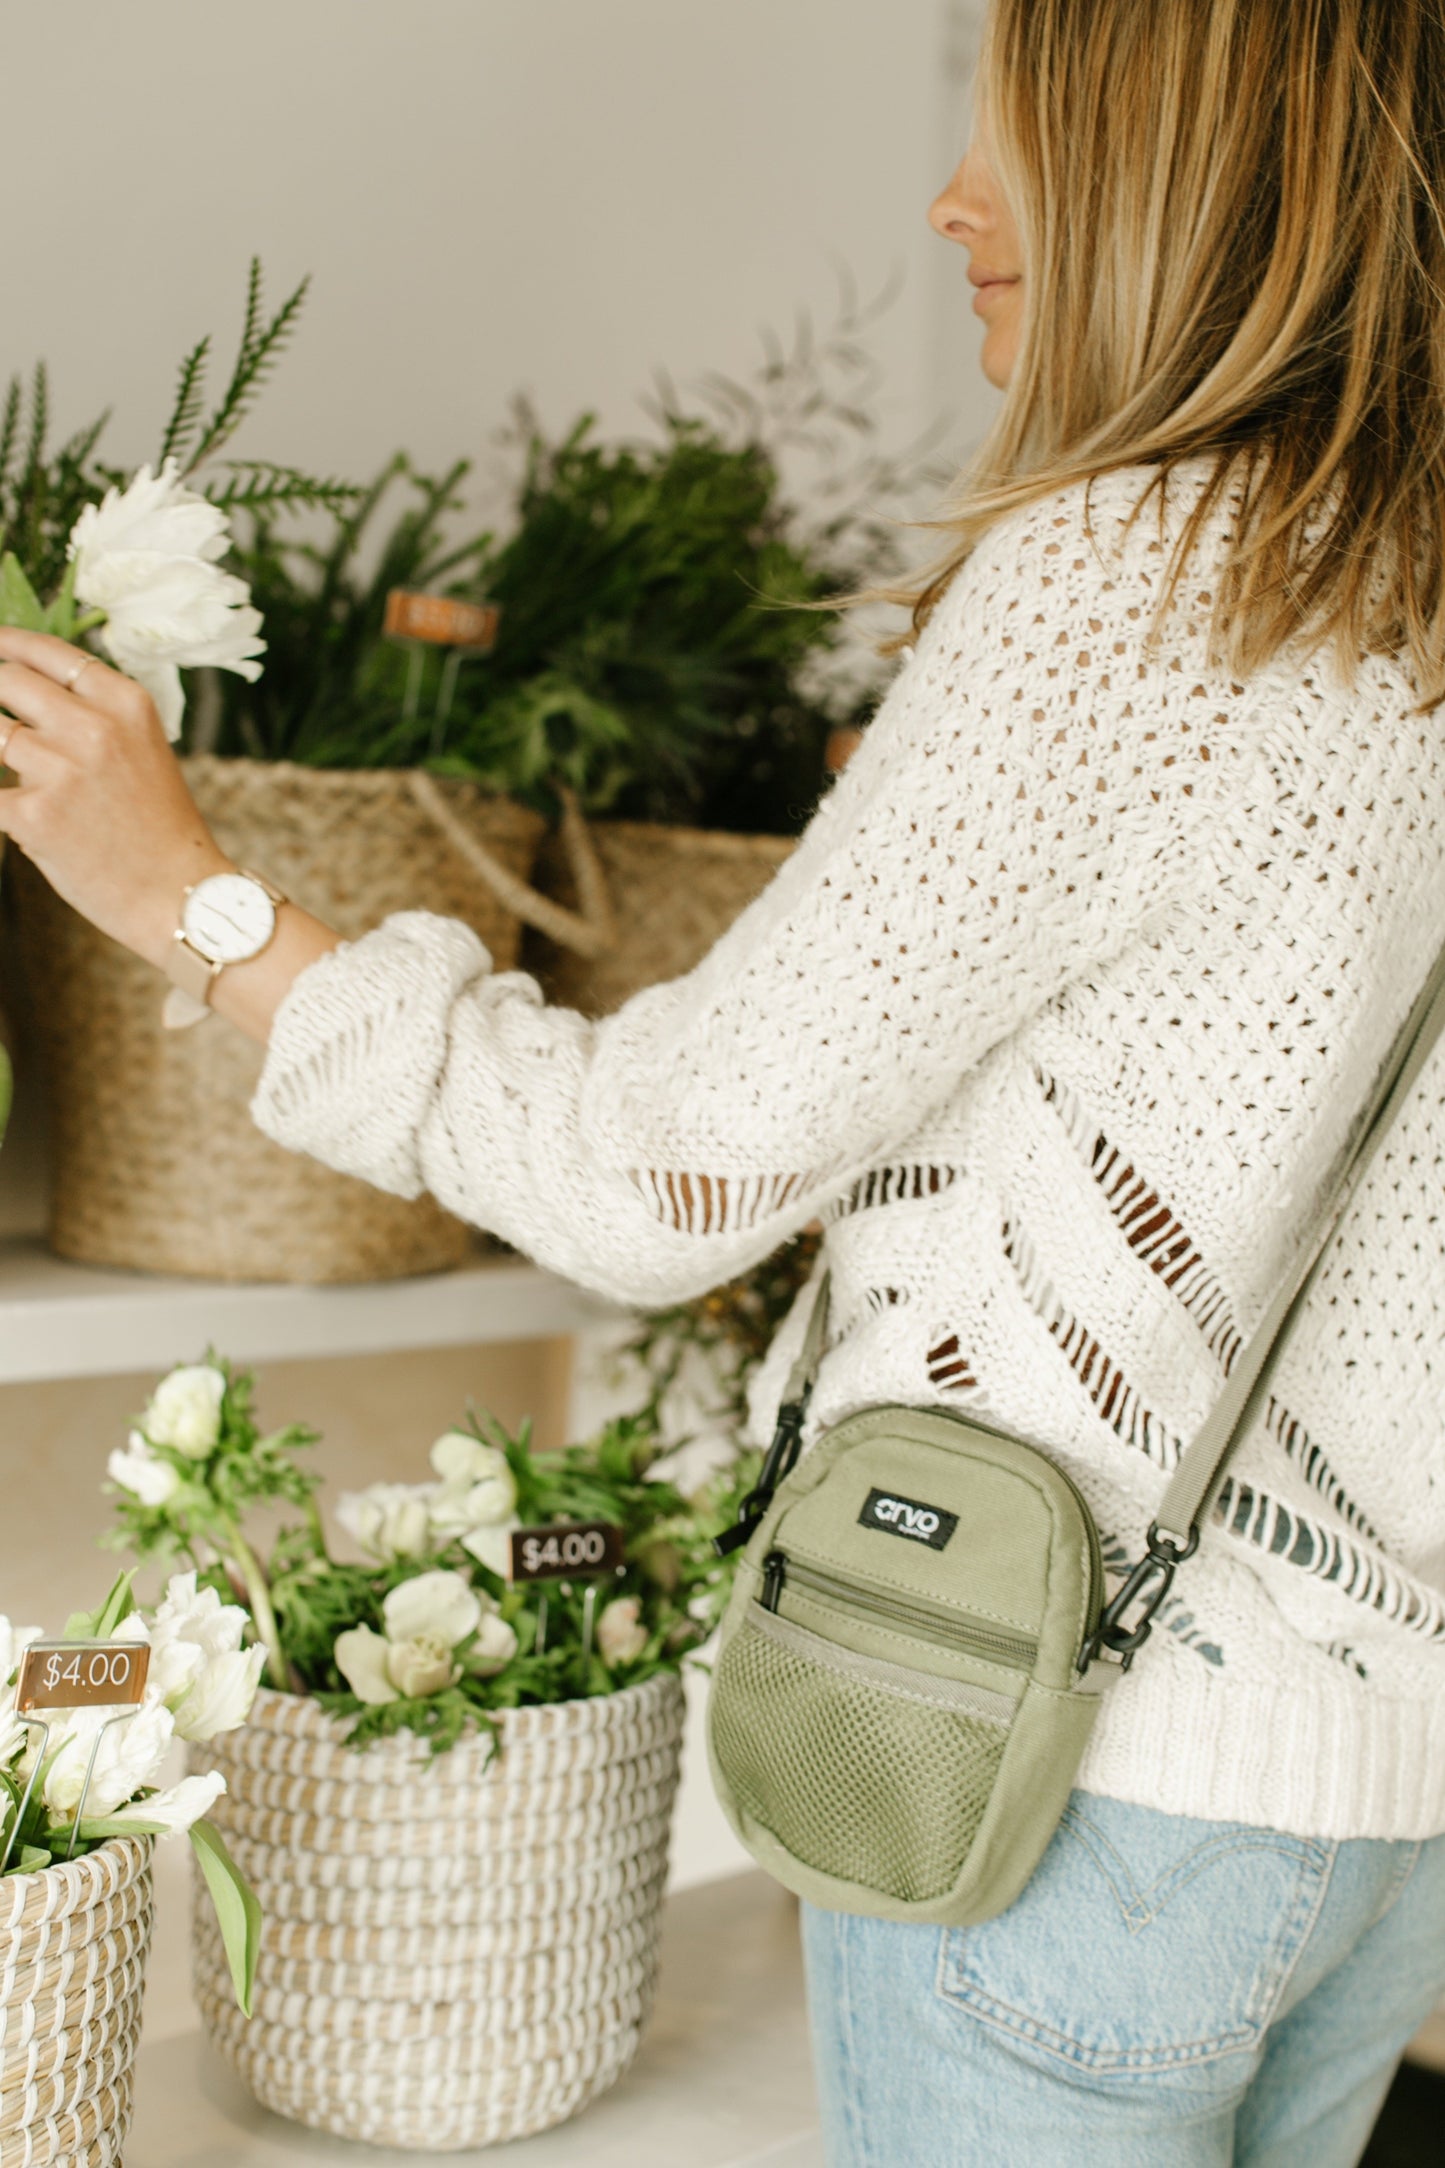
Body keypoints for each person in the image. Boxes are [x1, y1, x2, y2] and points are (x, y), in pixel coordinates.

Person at [3, 0, 1445, 2158]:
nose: (957, 198)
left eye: (1026, 134)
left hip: (1048, 1773)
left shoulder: (1144, 577)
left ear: (1195, 170)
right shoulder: (1405, 591)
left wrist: (195, 901)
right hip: (1380, 1810)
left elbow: (653, 1177)